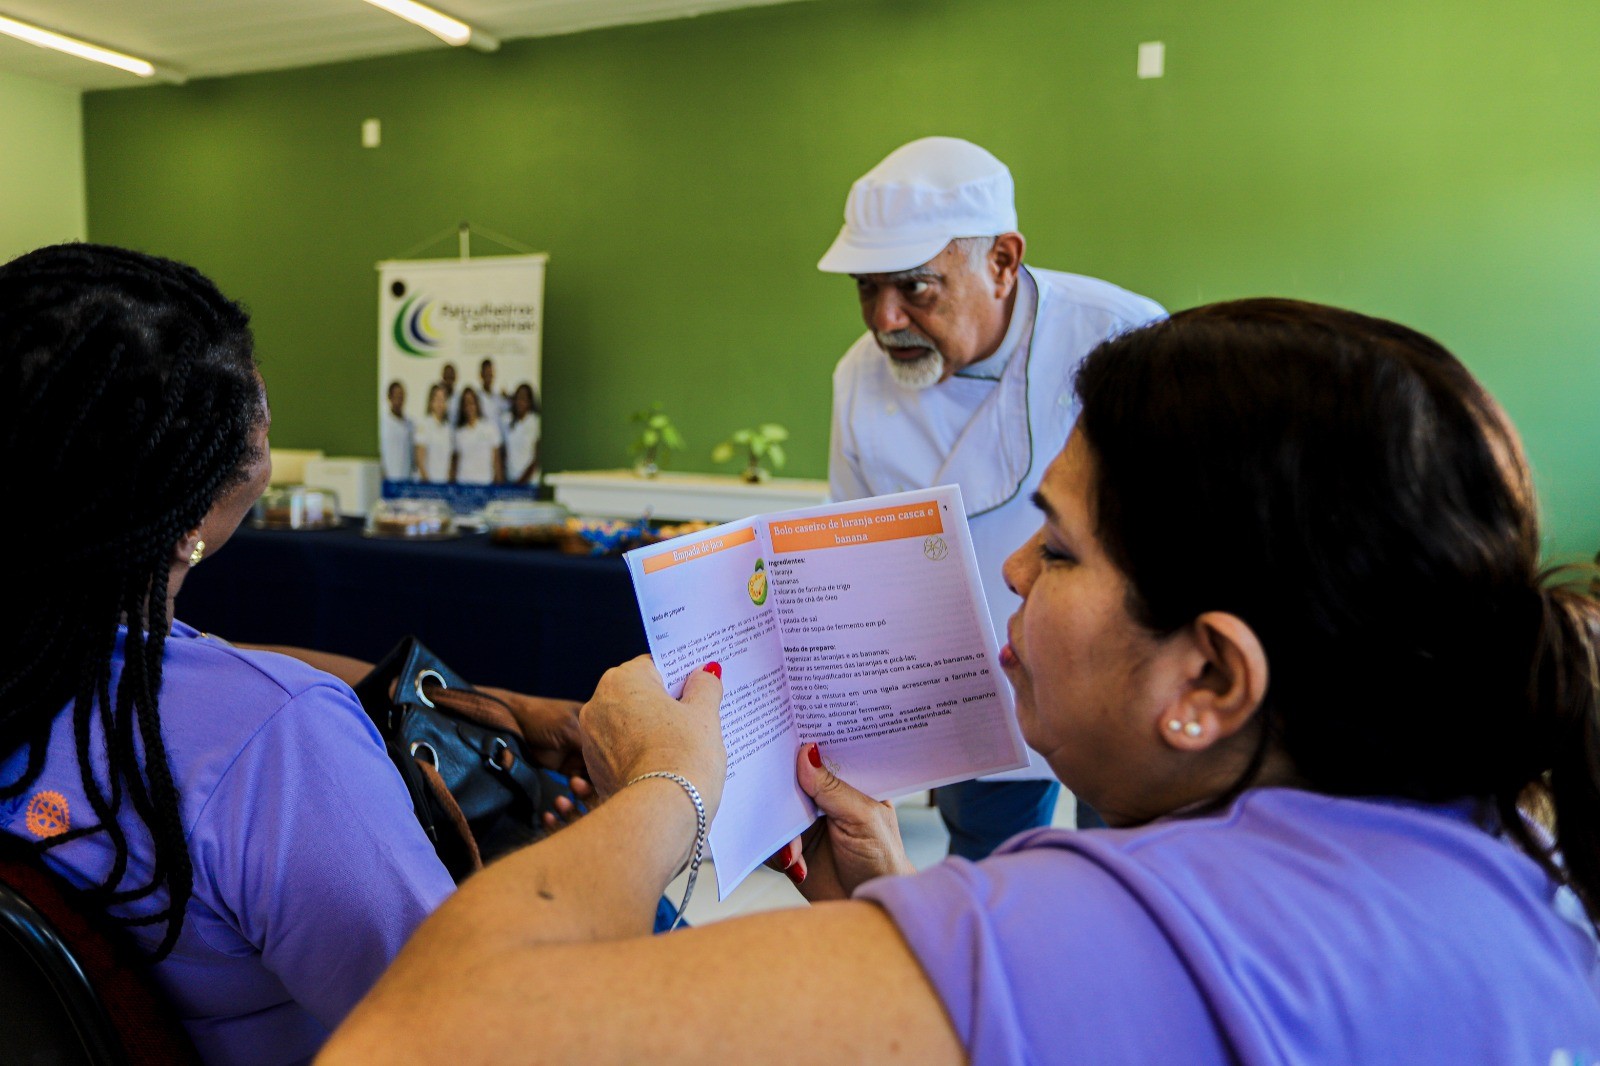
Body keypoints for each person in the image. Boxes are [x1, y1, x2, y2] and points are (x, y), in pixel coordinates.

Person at [322, 299, 1600, 1064]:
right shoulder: (1503, 858)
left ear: (1208, 672)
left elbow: (415, 1039)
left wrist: (667, 785)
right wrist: (896, 912)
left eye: (1059, 542)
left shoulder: (1122, 923)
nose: (1010, 563)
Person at [0, 243, 585, 1065]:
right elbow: (482, 1034)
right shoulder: (274, 743)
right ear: (195, 512)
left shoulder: (71, 666)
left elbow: (206, 668)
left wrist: (507, 705)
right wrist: (668, 787)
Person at [820, 136, 1165, 854]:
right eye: (866, 287)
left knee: (1131, 867)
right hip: (976, 683)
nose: (885, 319)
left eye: (915, 286)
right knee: (987, 866)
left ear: (1002, 262)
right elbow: (856, 559)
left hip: (1122, 668)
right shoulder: (858, 379)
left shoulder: (1121, 337)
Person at [451, 387, 503, 484]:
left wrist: (499, 486)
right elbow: (455, 464)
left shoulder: (490, 428)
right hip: (463, 486)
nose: (469, 406)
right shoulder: (459, 433)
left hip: (485, 485)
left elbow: (497, 462)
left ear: (477, 404)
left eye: (471, 402)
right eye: (465, 403)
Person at [414, 382, 453, 483]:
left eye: (443, 399)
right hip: (427, 486)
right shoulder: (424, 424)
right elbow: (420, 460)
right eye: (437, 399)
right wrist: (428, 483)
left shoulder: (448, 428)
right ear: (431, 402)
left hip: (443, 485)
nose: (440, 403)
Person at [504, 382, 542, 485]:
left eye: (524, 398)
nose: (520, 402)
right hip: (510, 480)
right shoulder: (508, 421)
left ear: (530, 401)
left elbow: (538, 456)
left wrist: (522, 480)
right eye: (518, 398)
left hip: (529, 482)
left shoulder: (535, 422)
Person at [379, 379, 414, 481]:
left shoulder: (410, 424)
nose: (400, 399)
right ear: (389, 397)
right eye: (397, 396)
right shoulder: (384, 423)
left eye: (402, 396)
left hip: (406, 480)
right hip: (389, 478)